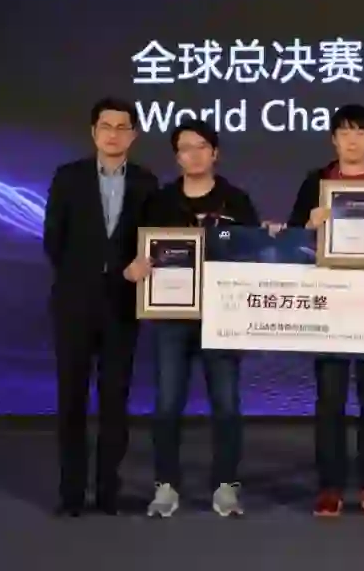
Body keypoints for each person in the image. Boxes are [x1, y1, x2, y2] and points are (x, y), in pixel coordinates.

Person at [285, 104, 364, 519]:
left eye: (361, 132)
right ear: (333, 139)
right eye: (345, 133)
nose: (353, 140)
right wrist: (310, 224)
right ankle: (330, 486)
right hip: (330, 303)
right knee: (330, 401)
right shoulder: (316, 181)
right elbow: (292, 240)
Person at [127, 119, 260, 518]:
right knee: (167, 403)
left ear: (214, 153)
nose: (194, 154)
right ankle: (166, 485)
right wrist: (136, 268)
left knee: (227, 405)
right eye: (186, 148)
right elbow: (140, 250)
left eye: (202, 146)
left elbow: (255, 255)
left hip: (223, 316)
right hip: (172, 317)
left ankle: (226, 486)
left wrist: (264, 240)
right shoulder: (160, 201)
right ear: (177, 157)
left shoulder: (236, 201)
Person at [42, 97, 159, 517]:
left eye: (122, 127)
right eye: (106, 126)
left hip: (122, 304)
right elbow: (53, 240)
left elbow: (153, 240)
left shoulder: (146, 182)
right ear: (94, 132)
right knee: (71, 398)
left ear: (133, 135)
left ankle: (109, 490)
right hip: (74, 303)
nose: (113, 134)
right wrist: (89, 276)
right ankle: (71, 493)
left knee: (115, 401)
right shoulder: (68, 177)